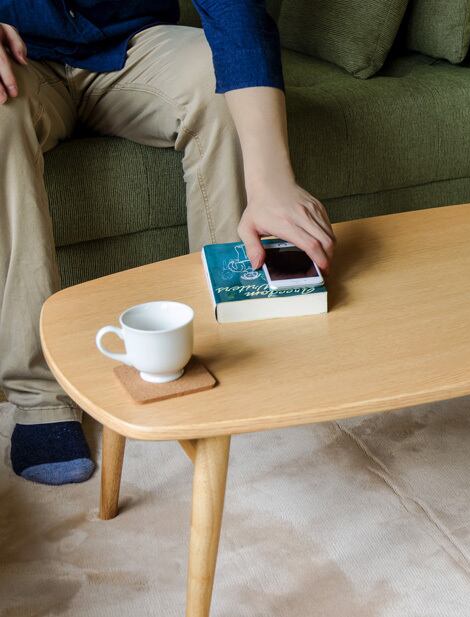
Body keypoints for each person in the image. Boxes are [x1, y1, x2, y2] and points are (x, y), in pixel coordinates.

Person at [0, 2, 335, 485]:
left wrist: (273, 182)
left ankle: (239, 346)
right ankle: (39, 399)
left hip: (133, 43)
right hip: (17, 56)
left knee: (217, 78)